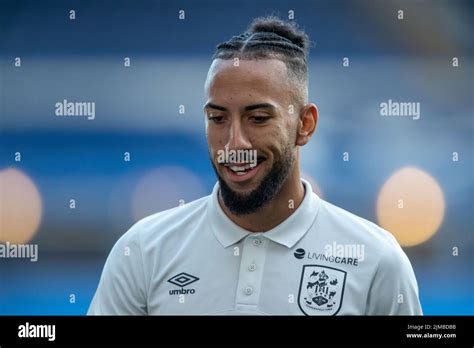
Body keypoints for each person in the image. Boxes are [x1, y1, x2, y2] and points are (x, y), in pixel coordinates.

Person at [88, 16, 422, 315]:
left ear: (305, 124)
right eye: (217, 118)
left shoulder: (377, 260)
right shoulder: (143, 252)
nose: (235, 143)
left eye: (258, 118)